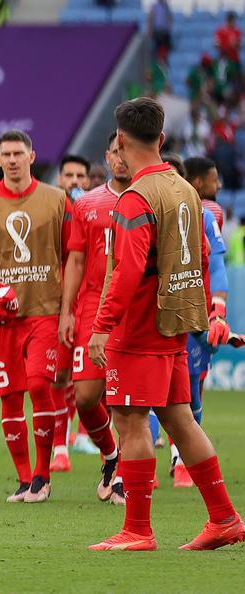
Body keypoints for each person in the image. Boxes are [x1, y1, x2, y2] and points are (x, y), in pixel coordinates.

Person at [87, 97, 242, 551]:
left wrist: (102, 325)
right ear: (161, 138)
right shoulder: (186, 190)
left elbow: (128, 270)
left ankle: (137, 529)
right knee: (179, 419)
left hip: (139, 327)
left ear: (120, 140)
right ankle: (225, 518)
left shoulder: (136, 197)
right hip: (174, 325)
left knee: (129, 421)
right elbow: (205, 257)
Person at [0, 130, 70, 503]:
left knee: (41, 387)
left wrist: (69, 307)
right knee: (9, 398)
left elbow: (73, 254)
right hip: (1, 319)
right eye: (6, 154)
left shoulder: (57, 200)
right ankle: (24, 480)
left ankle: (43, 476)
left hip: (44, 311)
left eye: (18, 153)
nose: (12, 159)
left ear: (32, 156)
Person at [58, 133, 130, 504]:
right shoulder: (87, 204)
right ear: (107, 156)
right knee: (86, 397)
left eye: (126, 151)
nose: (121, 158)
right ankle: (110, 454)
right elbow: (76, 259)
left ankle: (124, 478)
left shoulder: (149, 197)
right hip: (91, 310)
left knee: (126, 401)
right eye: (115, 152)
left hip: (134, 311)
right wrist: (67, 311)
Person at [167, 156, 229, 488]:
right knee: (140, 398)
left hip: (190, 317)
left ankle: (182, 459)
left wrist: (217, 310)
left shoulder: (204, 216)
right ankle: (133, 472)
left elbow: (217, 267)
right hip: (151, 318)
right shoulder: (139, 213)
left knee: (189, 393)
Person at [48, 154, 90, 473]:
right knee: (60, 377)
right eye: (69, 175)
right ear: (59, 179)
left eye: (80, 175)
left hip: (91, 305)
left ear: (88, 180)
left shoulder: (96, 210)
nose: (75, 180)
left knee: (91, 380)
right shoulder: (50, 211)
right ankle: (60, 447)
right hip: (60, 306)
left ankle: (93, 439)